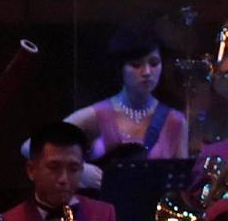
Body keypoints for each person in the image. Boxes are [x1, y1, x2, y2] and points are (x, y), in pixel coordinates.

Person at [67, 26, 190, 165]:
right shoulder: (97, 115)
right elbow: (51, 147)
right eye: (136, 65)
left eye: (154, 63)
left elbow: (182, 180)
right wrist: (82, 170)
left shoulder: (175, 122)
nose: (147, 72)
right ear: (120, 67)